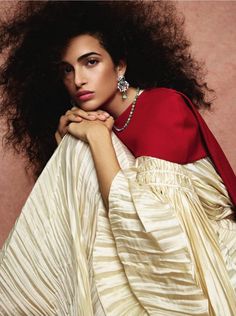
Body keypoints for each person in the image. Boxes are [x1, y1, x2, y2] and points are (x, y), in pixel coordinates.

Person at [0, 1, 236, 315]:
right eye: (67, 70)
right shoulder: (99, 123)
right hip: (141, 260)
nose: (78, 80)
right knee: (74, 145)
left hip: (196, 265)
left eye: (91, 62)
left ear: (120, 67)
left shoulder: (162, 107)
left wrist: (96, 140)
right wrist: (66, 139)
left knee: (80, 149)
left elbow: (156, 228)